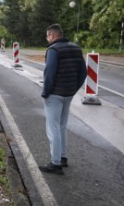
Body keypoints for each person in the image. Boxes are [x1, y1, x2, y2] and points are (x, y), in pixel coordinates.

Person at [39, 24, 87, 175]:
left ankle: (55, 164)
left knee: (52, 128)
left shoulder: (53, 50)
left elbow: (50, 73)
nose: (47, 39)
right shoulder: (76, 48)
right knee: (62, 126)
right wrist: (73, 89)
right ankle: (63, 157)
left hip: (55, 95)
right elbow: (83, 73)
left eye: (48, 36)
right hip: (68, 94)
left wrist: (46, 93)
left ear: (52, 36)